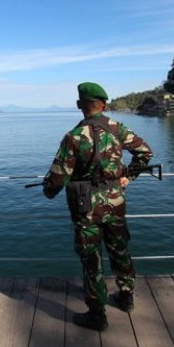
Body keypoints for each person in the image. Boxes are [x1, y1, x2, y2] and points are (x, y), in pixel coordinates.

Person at [42, 82, 154, 331]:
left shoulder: (74, 137)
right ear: (103, 104)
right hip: (115, 203)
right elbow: (145, 152)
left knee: (92, 260)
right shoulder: (117, 128)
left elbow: (57, 179)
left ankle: (97, 314)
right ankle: (126, 298)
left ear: (79, 105)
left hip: (86, 208)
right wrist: (128, 176)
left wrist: (47, 189)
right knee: (120, 250)